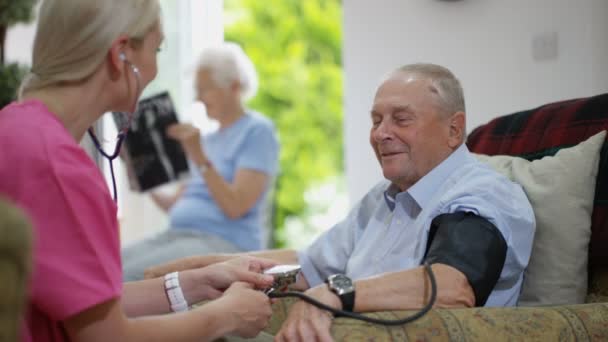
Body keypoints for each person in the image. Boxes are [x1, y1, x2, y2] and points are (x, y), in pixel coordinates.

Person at [145, 63, 536, 341]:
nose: (381, 134)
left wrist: (336, 291)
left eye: (401, 119)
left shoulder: (480, 195)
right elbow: (307, 268)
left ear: (454, 129)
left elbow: (451, 285)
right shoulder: (382, 200)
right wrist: (209, 268)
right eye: (376, 120)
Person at [0, 1, 275, 341]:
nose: (157, 69)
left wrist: (196, 281)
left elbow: (95, 302)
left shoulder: (14, 127)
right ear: (121, 55)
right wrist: (223, 317)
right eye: (156, 49)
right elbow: (110, 336)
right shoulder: (59, 169)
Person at [122, 42, 280, 281]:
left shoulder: (257, 131)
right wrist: (137, 168)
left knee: (127, 277)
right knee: (107, 265)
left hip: (223, 243)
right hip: (177, 235)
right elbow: (175, 205)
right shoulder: (206, 139)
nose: (198, 98)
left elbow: (236, 206)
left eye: (205, 89)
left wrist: (199, 157)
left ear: (234, 87)